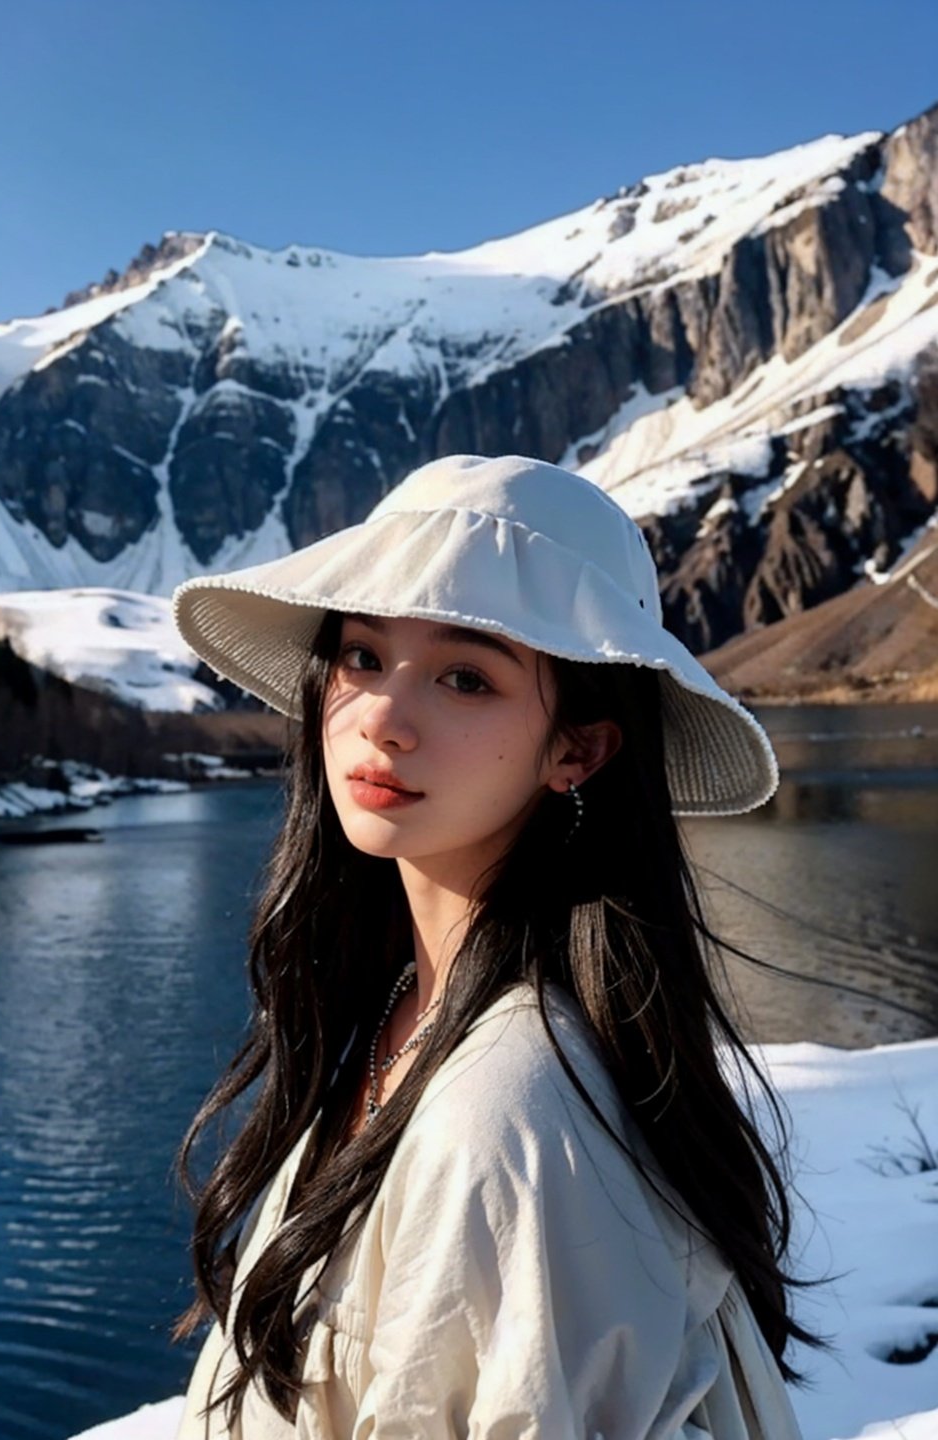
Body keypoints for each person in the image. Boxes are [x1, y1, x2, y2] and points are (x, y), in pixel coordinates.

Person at [169, 454, 816, 1439]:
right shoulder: (412, 1018)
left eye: (466, 678)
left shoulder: (509, 1113)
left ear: (577, 751)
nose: (384, 719)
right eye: (361, 657)